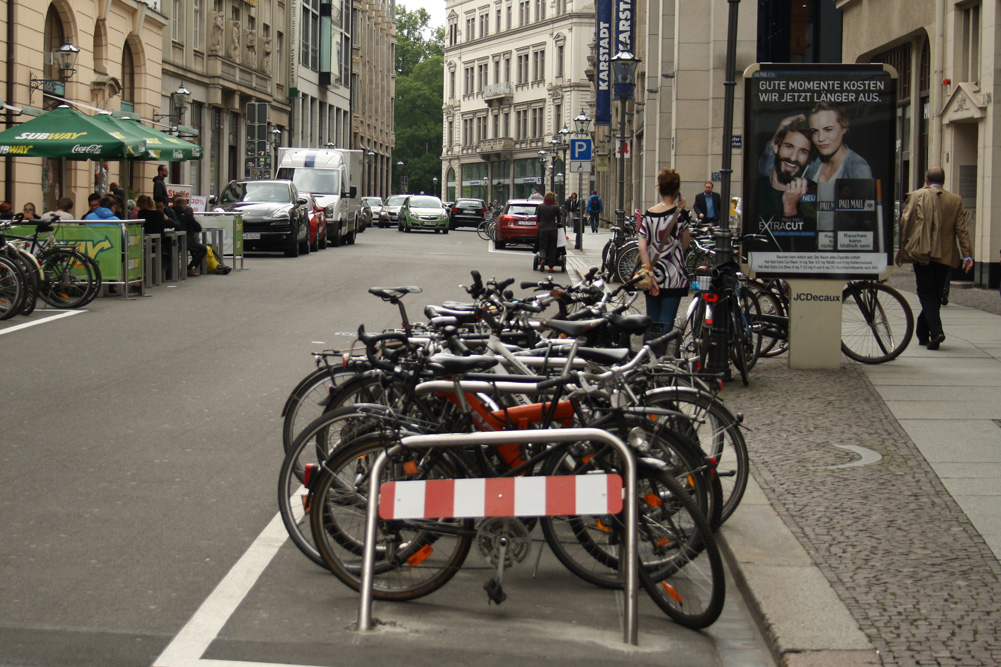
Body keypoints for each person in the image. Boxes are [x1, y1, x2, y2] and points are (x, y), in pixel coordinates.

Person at [896, 166, 973, 350]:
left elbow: (905, 221)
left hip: (922, 253)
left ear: (927, 180)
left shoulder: (917, 195)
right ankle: (923, 334)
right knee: (935, 295)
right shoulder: (955, 200)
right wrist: (967, 255)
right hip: (945, 255)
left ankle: (936, 331)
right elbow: (961, 230)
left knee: (925, 293)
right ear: (944, 181)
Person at [637, 168, 691, 345]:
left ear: (659, 188)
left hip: (653, 275)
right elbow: (685, 244)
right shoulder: (680, 216)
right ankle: (661, 362)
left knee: (651, 322)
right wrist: (681, 210)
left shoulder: (649, 213)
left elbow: (642, 246)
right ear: (677, 191)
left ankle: (648, 359)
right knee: (666, 324)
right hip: (673, 276)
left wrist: (649, 272)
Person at [756, 118, 818, 251]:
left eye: (803, 152)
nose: (793, 158)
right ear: (777, 147)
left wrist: (791, 211)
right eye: (789, 146)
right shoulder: (755, 189)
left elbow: (806, 252)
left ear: (808, 160)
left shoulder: (814, 193)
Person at [171, 196, 206, 276]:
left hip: (173, 240)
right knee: (202, 249)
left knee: (195, 247)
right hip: (186, 241)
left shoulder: (171, 213)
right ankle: (189, 268)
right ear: (184, 205)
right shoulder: (186, 215)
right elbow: (198, 228)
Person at [536, 191, 563, 272]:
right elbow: (559, 220)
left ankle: (542, 260)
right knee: (552, 247)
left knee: (543, 246)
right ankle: (551, 266)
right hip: (553, 229)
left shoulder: (540, 206)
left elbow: (538, 219)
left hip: (543, 229)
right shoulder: (556, 207)